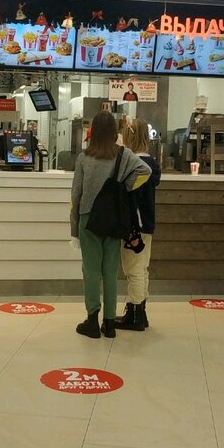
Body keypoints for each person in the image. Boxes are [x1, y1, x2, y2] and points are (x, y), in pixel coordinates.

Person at [71, 112, 151, 339]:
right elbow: (145, 170)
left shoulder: (84, 158)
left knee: (91, 271)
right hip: (114, 219)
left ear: (94, 132)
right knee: (110, 271)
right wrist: (125, 186)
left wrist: (73, 230)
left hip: (89, 219)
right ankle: (109, 323)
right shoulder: (123, 155)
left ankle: (92, 320)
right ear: (114, 132)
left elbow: (76, 195)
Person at [116, 118, 160, 331]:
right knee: (141, 268)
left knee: (133, 269)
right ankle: (140, 311)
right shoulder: (151, 162)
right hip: (146, 224)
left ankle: (135, 314)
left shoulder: (134, 164)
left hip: (135, 225)